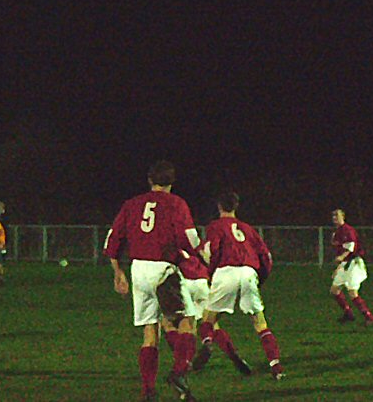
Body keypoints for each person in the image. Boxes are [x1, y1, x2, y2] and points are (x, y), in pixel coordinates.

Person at [103, 160, 201, 402]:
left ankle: (148, 390)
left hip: (139, 270)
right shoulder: (176, 203)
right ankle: (179, 372)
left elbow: (112, 240)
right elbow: (189, 238)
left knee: (150, 331)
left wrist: (118, 272)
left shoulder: (132, 204)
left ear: (150, 180)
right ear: (172, 182)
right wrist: (198, 256)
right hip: (163, 270)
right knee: (187, 321)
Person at [193, 191, 285, 380]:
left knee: (208, 319)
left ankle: (208, 342)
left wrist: (210, 273)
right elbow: (266, 256)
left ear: (219, 207)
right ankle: (276, 367)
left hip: (226, 271)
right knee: (260, 324)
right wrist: (261, 278)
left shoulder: (215, 226)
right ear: (235, 207)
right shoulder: (247, 228)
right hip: (248, 272)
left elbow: (213, 249)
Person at [161, 248, 252, 376]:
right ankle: (229, 352)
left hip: (183, 283)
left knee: (170, 324)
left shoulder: (170, 247)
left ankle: (184, 361)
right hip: (202, 282)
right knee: (211, 323)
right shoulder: (196, 247)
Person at [329, 209, 373, 325]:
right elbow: (340, 251)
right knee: (334, 290)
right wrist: (338, 267)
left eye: (337, 216)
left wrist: (341, 257)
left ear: (343, 217)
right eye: (333, 217)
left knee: (352, 291)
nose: (335, 219)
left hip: (354, 263)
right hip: (345, 264)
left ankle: (369, 317)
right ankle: (348, 313)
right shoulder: (336, 233)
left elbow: (351, 248)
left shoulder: (348, 230)